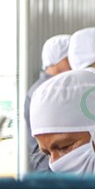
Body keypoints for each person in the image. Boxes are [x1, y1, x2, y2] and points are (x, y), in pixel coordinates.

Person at [25, 35, 71, 171]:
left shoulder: (48, 88)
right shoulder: (48, 91)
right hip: (51, 172)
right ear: (59, 59)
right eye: (70, 57)